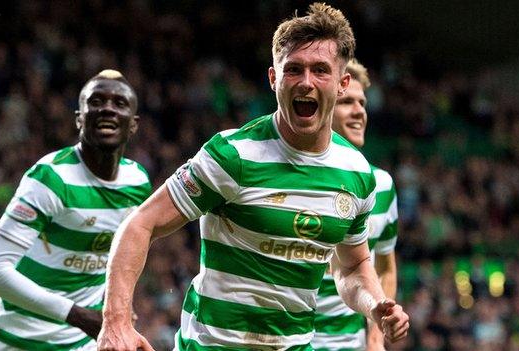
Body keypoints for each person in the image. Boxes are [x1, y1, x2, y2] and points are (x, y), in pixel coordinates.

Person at [98, 3, 409, 350]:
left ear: (341, 83)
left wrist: (375, 307)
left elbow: (352, 269)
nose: (306, 82)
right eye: (293, 70)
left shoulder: (356, 173)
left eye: (320, 70)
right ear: (274, 79)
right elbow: (141, 223)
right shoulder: (233, 155)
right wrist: (116, 321)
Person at [0, 69, 151, 350]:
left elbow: (119, 253)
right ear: (79, 118)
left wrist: (118, 306)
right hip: (17, 341)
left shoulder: (138, 181)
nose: (107, 109)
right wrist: (80, 316)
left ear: (133, 124)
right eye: (96, 102)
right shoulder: (50, 178)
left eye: (119, 103)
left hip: (83, 342)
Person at [312, 60, 399, 351]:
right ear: (322, 107)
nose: (359, 111)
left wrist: (375, 338)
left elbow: (385, 268)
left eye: (362, 103)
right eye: (347, 102)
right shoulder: (292, 181)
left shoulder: (382, 186)